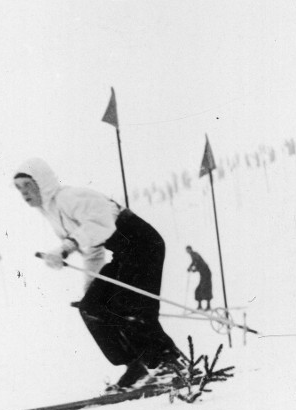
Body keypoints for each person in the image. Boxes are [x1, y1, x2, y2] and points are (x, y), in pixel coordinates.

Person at [13, 158, 186, 392]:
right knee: (92, 307)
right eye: (19, 188)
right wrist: (93, 286)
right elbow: (92, 249)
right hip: (124, 253)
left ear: (42, 182)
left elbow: (102, 225)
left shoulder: (69, 198)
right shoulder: (51, 212)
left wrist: (65, 247)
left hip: (144, 245)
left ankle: (168, 361)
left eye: (27, 185)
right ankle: (136, 366)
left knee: (128, 305)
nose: (24, 193)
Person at [185, 246, 213, 311]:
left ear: (190, 249)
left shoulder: (195, 254)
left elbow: (198, 262)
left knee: (205, 288)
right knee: (199, 289)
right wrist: (191, 268)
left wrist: (193, 269)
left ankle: (208, 306)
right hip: (203, 273)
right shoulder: (193, 255)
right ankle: (200, 306)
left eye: (188, 250)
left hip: (206, 273)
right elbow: (194, 262)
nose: (187, 252)